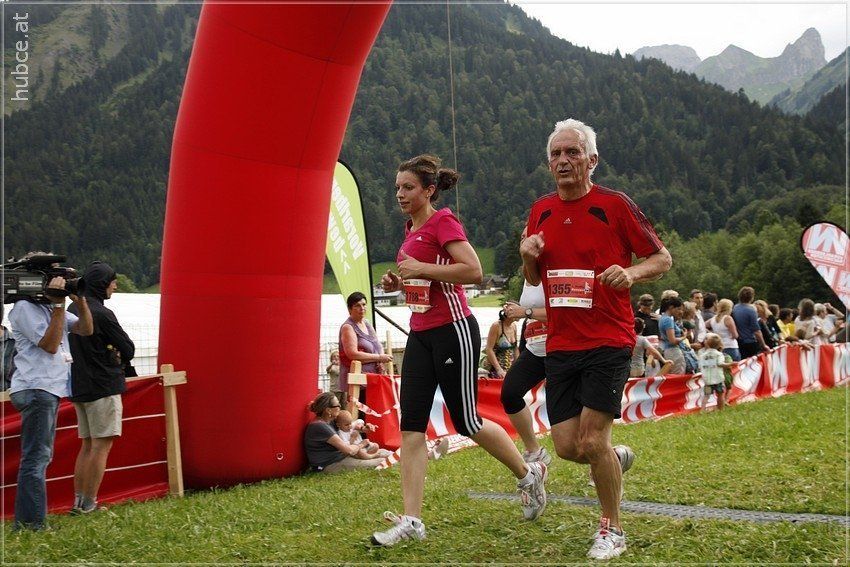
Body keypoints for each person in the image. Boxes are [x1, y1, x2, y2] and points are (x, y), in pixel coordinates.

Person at [373, 154, 547, 547]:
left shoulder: (443, 222)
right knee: (411, 427)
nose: (400, 194)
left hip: (454, 331)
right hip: (420, 334)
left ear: (429, 190)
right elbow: (421, 282)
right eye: (397, 187)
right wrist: (398, 283)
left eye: (408, 187)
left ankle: (528, 474)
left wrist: (421, 269)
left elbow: (473, 271)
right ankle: (412, 521)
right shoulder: (410, 229)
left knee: (466, 421)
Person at [520, 119, 672, 560]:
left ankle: (613, 530)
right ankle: (614, 458)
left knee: (591, 440)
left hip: (609, 337)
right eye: (556, 154)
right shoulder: (541, 210)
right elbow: (535, 278)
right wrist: (526, 257)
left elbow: (661, 258)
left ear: (592, 160)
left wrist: (631, 272)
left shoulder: (614, 204)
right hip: (561, 343)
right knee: (568, 447)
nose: (563, 160)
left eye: (572, 152)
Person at [8, 270, 93, 530]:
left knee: (39, 456)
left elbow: (85, 329)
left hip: (47, 388)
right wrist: (58, 305)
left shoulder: (50, 307)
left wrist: (79, 300)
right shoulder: (24, 308)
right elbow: (51, 345)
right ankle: (31, 523)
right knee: (36, 458)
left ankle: (28, 521)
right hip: (36, 387)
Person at [67, 262, 135, 514]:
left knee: (87, 445)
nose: (115, 286)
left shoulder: (72, 308)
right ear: (102, 284)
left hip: (79, 385)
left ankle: (78, 501)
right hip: (103, 385)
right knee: (101, 445)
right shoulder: (103, 313)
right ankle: (89, 503)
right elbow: (128, 348)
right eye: (112, 281)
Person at [500, 280, 552, 465]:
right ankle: (534, 451)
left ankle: (607, 456)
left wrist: (525, 311)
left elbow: (565, 313)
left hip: (560, 349)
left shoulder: (555, 268)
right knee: (510, 394)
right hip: (534, 349)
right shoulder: (528, 272)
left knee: (567, 431)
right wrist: (517, 311)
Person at [304, 392, 386, 472]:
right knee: (383, 461)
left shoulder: (330, 420)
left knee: (384, 453)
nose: (340, 406)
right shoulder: (320, 426)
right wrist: (362, 444)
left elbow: (349, 426)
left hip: (340, 457)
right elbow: (349, 450)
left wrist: (364, 428)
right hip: (329, 464)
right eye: (337, 405)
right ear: (328, 410)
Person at [338, 292, 392, 409]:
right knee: (362, 412)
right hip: (358, 381)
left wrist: (381, 360)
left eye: (363, 304)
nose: (362, 308)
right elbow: (352, 354)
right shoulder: (348, 327)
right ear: (350, 309)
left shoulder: (367, 323)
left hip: (373, 379)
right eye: (357, 305)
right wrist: (379, 358)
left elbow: (377, 345)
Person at [698, 333, 733, 411]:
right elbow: (720, 364)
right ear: (719, 345)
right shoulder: (719, 355)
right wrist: (730, 364)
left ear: (707, 344)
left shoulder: (702, 355)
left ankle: (702, 410)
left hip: (707, 380)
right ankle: (721, 409)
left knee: (706, 395)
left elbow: (700, 367)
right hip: (718, 379)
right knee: (720, 394)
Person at [731, 286, 767, 358]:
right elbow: (756, 331)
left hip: (739, 342)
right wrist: (763, 345)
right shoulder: (751, 310)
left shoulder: (735, 308)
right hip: (750, 342)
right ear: (752, 297)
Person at [483, 308, 519, 378]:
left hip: (510, 369)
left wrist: (517, 366)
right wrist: (499, 369)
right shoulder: (496, 326)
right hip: (496, 370)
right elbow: (489, 349)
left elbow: (515, 348)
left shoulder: (514, 326)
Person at [658, 297, 687, 374]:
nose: (679, 311)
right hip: (674, 352)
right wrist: (684, 337)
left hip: (668, 351)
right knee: (678, 375)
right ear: (671, 307)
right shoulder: (668, 320)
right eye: (678, 309)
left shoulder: (663, 318)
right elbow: (672, 340)